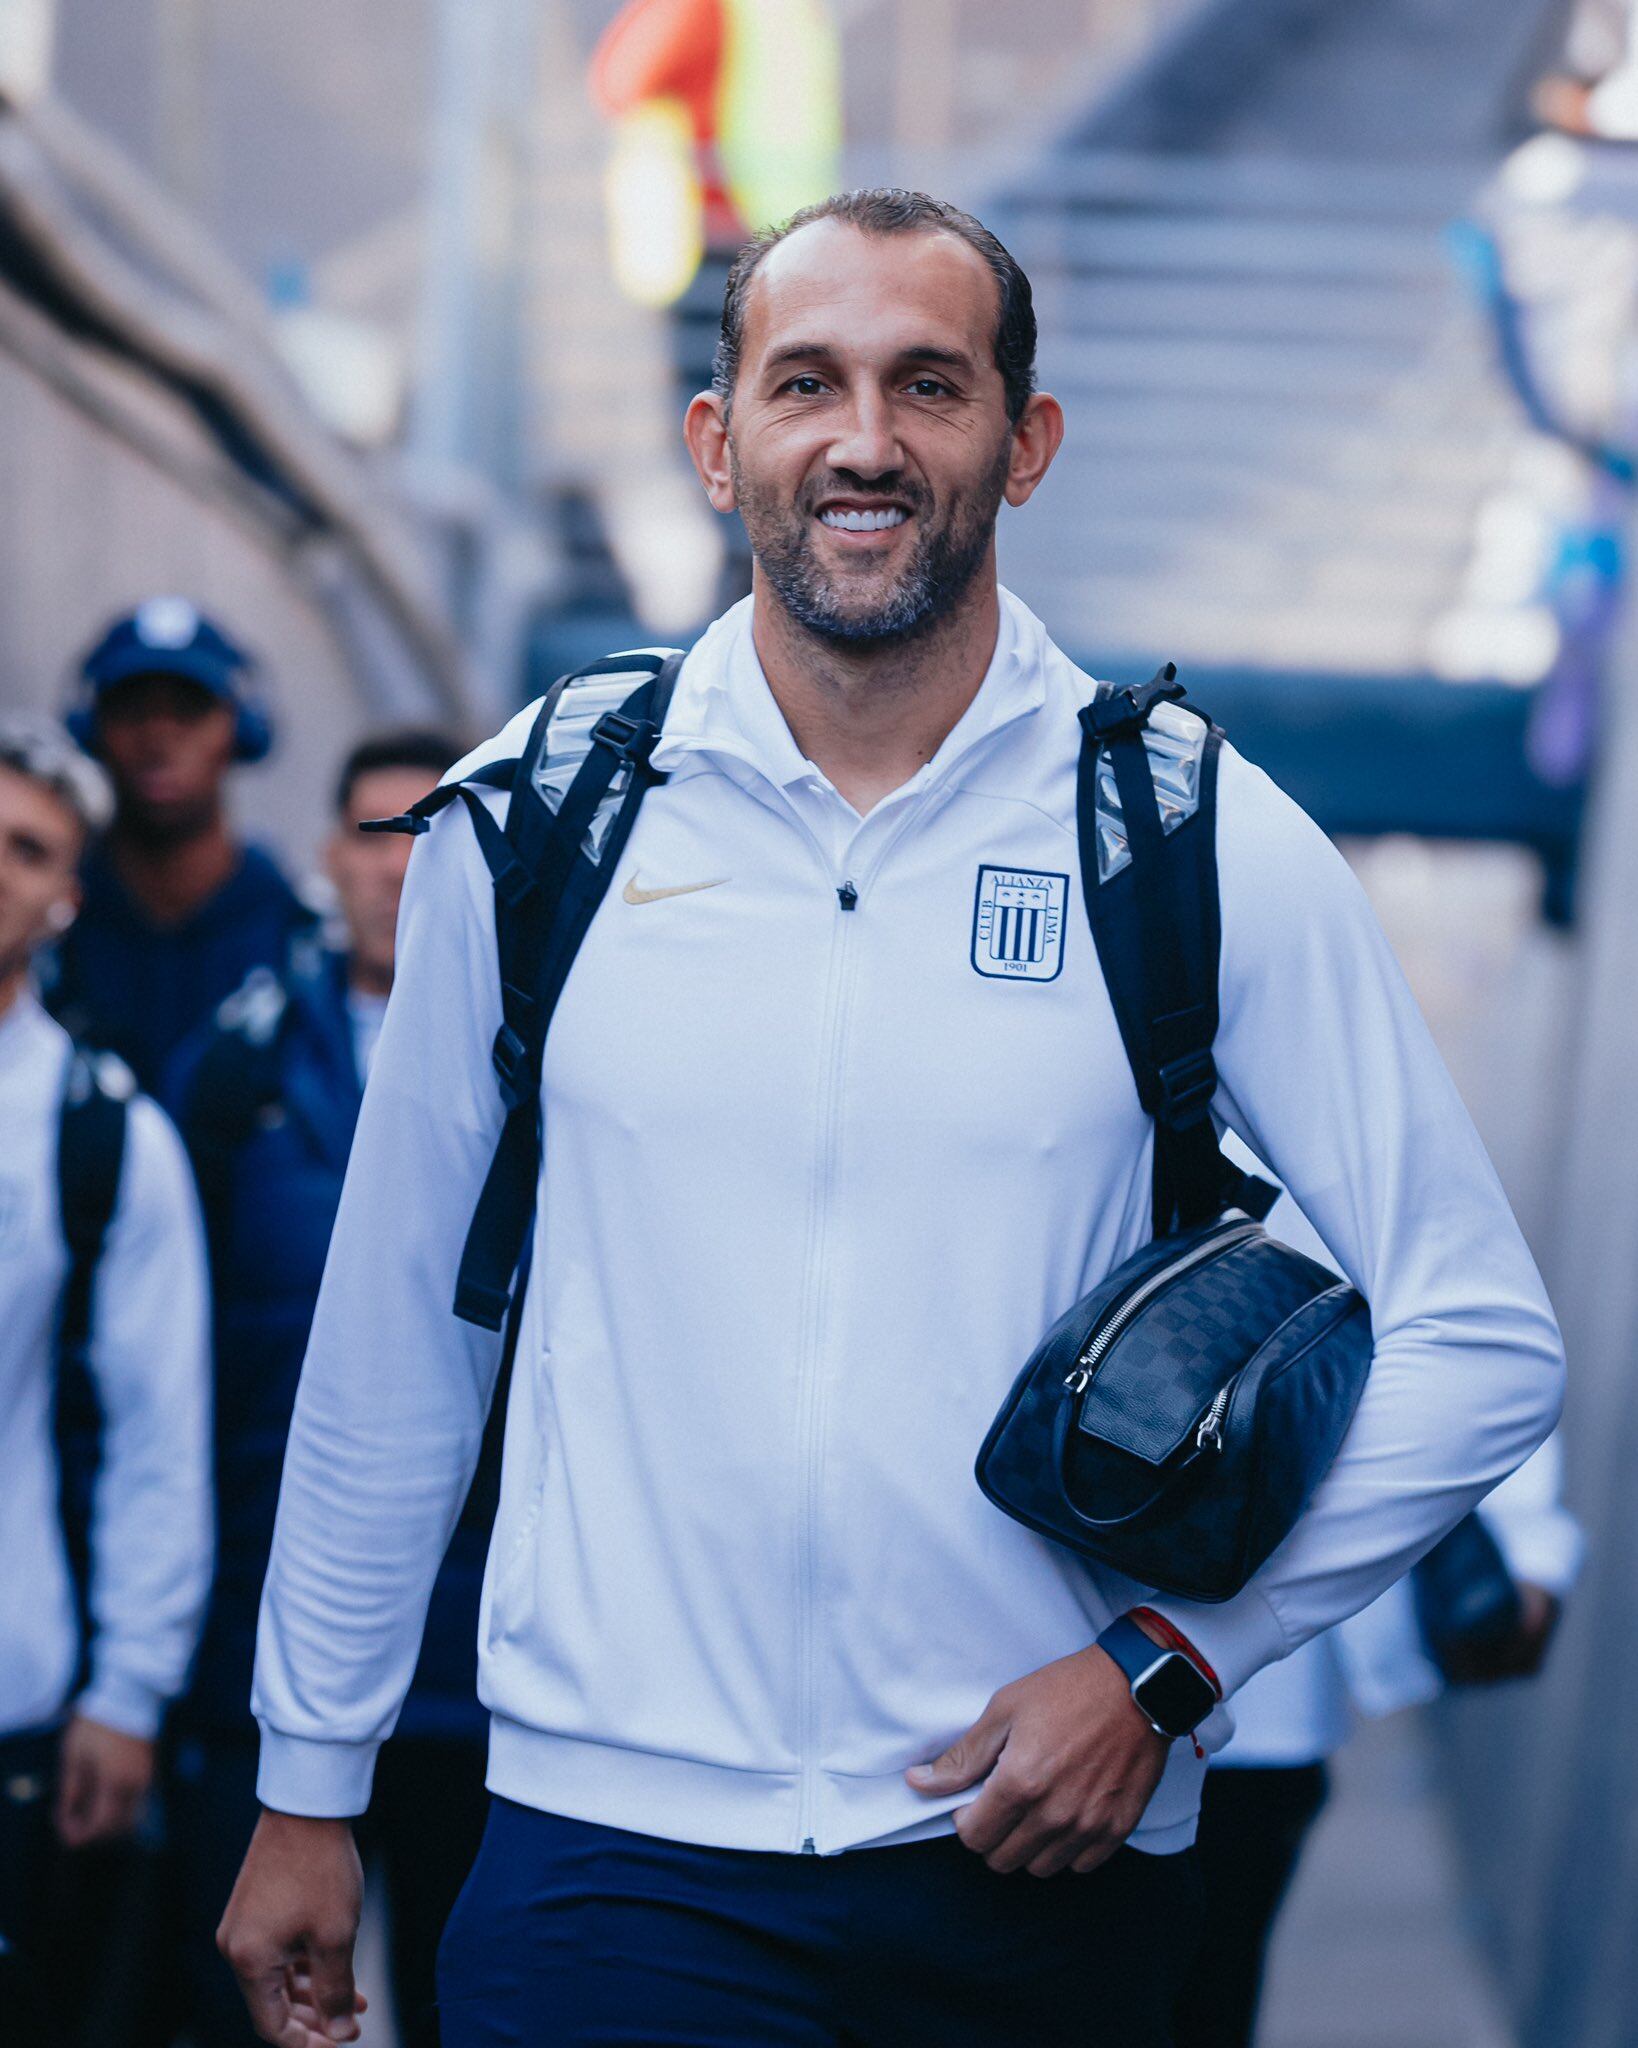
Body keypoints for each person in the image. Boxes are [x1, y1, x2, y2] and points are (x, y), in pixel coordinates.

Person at [218, 190, 1566, 2048]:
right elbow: (398, 1342)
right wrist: (310, 1774)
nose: (863, 441)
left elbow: (1482, 1336)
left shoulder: (1189, 833)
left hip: (1034, 1862)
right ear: (718, 442)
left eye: (927, 385)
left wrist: (1168, 1667)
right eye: (807, 383)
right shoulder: (534, 819)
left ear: (1024, 446)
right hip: (612, 1856)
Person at [161, 729, 484, 2048]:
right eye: (371, 833)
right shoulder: (238, 1071)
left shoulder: (550, 1063)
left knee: (478, 2001)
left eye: (427, 832)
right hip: (267, 1626)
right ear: (323, 859)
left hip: (480, 1660)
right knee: (279, 2010)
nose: (397, 867)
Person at [1173, 1162, 1584, 2048]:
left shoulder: (1337, 1088)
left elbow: (1467, 1319)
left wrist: (1526, 1557)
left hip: (1255, 1705)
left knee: (1203, 1996)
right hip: (1028, 1681)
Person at [0, 716, 211, 2032]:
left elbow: (158, 1435)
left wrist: (130, 1690)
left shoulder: (100, 1133)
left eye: (26, 850)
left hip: (14, 1695)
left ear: (67, 897)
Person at [46, 598, 314, 1095]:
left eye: (189, 709)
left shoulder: (302, 935)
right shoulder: (45, 923)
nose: (159, 734)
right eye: (132, 709)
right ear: (94, 729)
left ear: (238, 729)